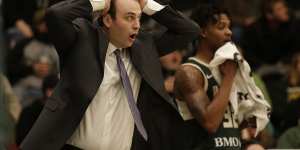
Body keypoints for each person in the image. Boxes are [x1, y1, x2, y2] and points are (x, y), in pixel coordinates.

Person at [20, 0, 200, 149]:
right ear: (107, 20)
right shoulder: (81, 40)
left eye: (138, 18)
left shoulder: (144, 46)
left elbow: (190, 30)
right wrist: (98, 2)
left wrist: (148, 5)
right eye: (129, 18)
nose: (137, 25)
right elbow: (56, 15)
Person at [174, 5, 243, 150]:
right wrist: (229, 78)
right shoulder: (190, 72)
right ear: (203, 31)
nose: (229, 32)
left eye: (229, 27)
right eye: (221, 27)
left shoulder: (229, 67)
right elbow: (210, 123)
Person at [16, 74, 59, 145]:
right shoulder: (29, 111)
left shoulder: (60, 111)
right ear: (45, 91)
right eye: (51, 89)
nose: (54, 93)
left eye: (56, 90)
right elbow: (22, 138)